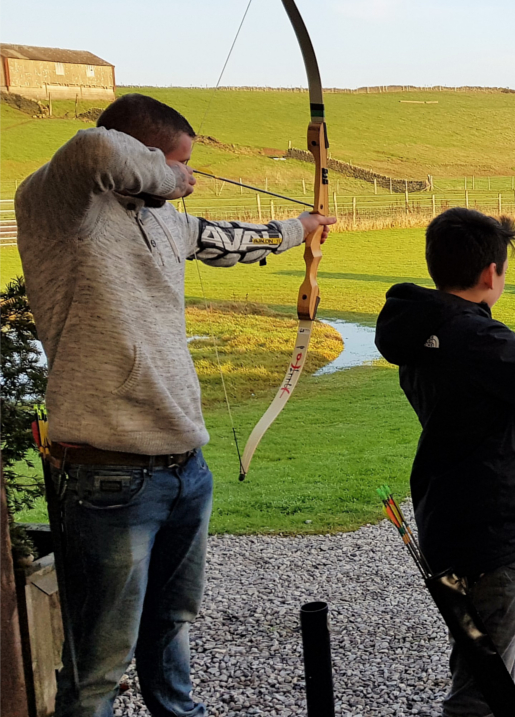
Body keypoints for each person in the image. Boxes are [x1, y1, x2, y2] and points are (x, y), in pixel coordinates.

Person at [15, 93, 336, 717]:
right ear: (149, 156)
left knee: (170, 633)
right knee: (98, 670)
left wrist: (302, 229)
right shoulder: (60, 205)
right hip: (108, 472)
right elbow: (95, 148)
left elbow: (228, 239)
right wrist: (174, 177)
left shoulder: (162, 219)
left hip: (184, 466)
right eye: (178, 165)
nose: (186, 178)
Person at [374, 207, 515, 714]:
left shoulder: (424, 331)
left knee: (476, 660)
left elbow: (493, 383)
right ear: (490, 274)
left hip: (447, 524)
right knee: (483, 689)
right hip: (490, 535)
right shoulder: (475, 339)